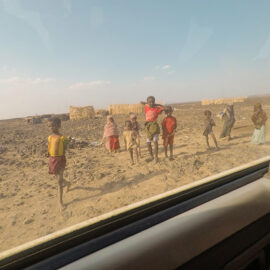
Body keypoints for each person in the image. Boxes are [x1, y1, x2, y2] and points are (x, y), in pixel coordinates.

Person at [48, 117, 70, 211]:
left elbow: (65, 148)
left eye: (53, 125)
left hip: (60, 160)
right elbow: (49, 146)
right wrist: (48, 153)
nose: (52, 127)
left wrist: (67, 148)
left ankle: (60, 202)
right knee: (57, 178)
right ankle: (68, 183)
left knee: (59, 181)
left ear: (59, 126)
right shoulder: (49, 137)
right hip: (52, 159)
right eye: (50, 126)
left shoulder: (62, 138)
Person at [141, 96, 165, 163]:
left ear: (154, 102)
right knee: (148, 143)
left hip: (154, 126)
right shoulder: (146, 107)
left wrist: (157, 104)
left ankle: (156, 157)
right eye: (150, 102)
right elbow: (141, 102)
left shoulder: (157, 109)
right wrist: (148, 103)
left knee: (155, 142)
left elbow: (164, 108)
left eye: (153, 102)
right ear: (148, 102)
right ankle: (151, 156)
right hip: (148, 127)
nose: (151, 103)